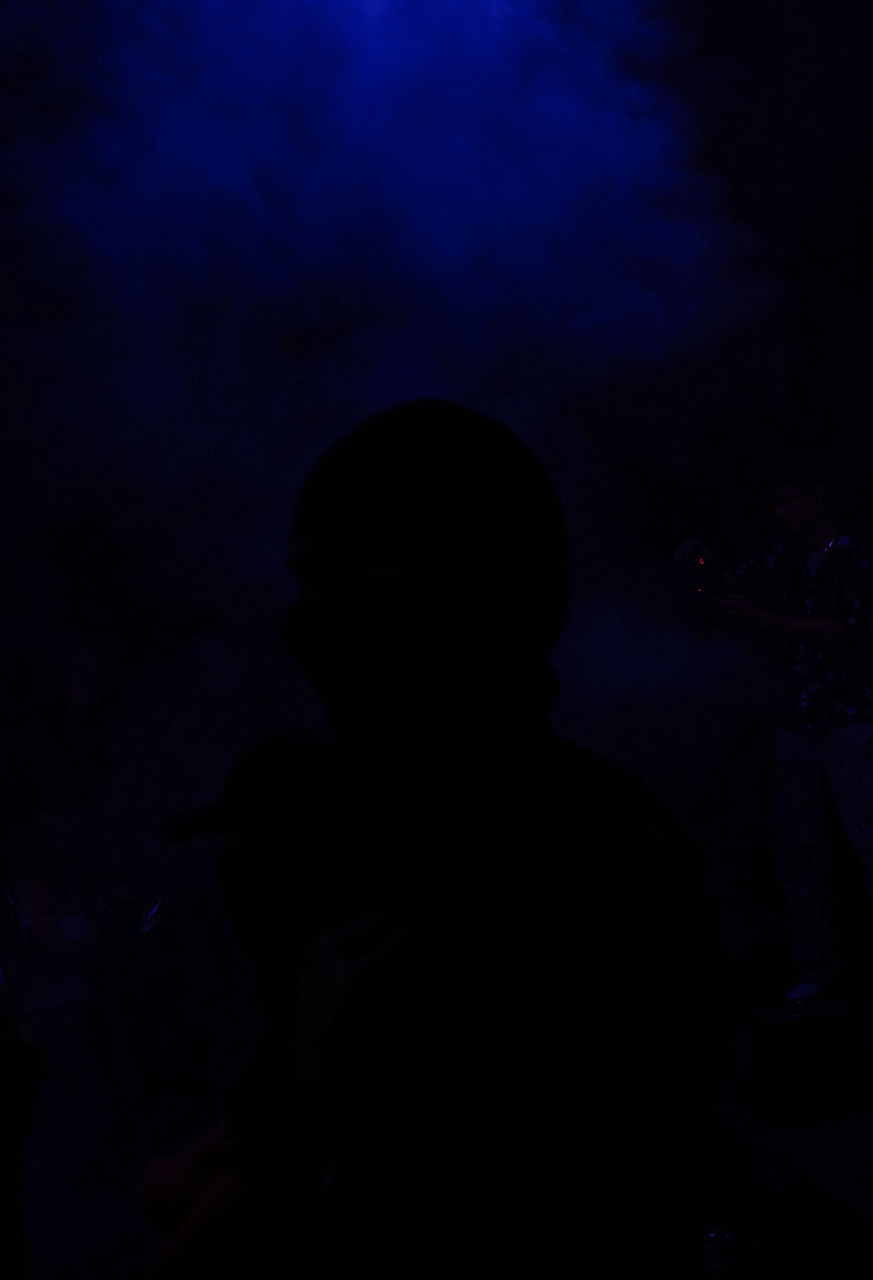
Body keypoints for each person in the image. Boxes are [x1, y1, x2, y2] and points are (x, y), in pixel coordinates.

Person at [135, 400, 725, 1276]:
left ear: (447, 605)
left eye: (330, 584)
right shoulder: (426, 837)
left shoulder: (576, 879)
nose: (299, 628)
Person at [714, 460, 873, 1006]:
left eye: (788, 500)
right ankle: (815, 967)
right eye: (775, 503)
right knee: (798, 851)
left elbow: (840, 632)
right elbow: (728, 583)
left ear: (816, 495)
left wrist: (761, 618)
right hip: (796, 719)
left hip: (848, 717)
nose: (780, 513)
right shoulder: (780, 557)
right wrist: (700, 565)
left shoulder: (854, 553)